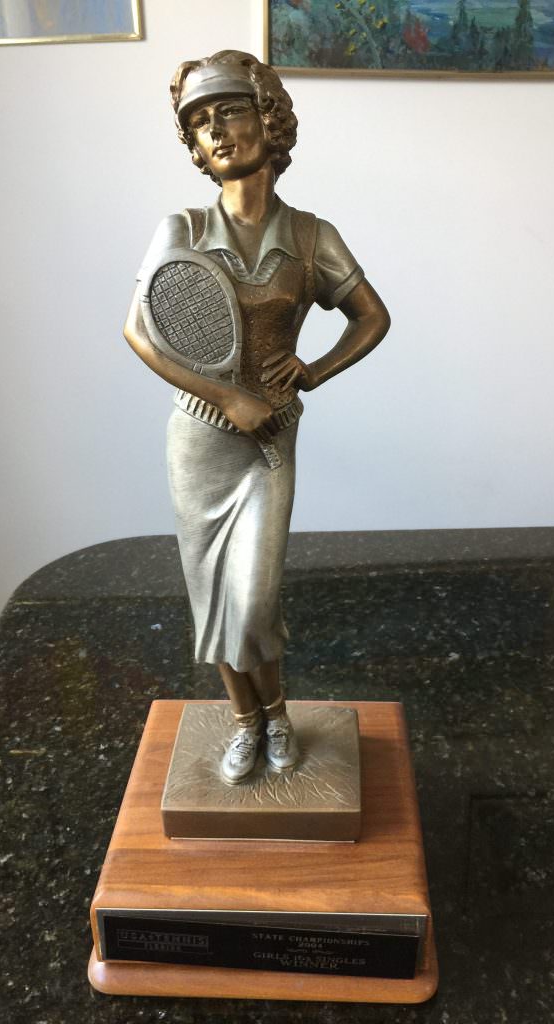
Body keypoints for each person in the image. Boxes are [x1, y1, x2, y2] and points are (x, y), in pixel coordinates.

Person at [123, 50, 390, 784]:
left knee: (255, 597)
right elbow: (139, 332)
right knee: (211, 596)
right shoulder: (181, 228)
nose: (215, 130)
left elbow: (371, 317)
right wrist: (225, 398)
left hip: (270, 439)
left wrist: (314, 371)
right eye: (199, 122)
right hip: (199, 438)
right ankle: (250, 721)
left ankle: (276, 712)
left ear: (269, 120)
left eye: (230, 110)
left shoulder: (310, 236)